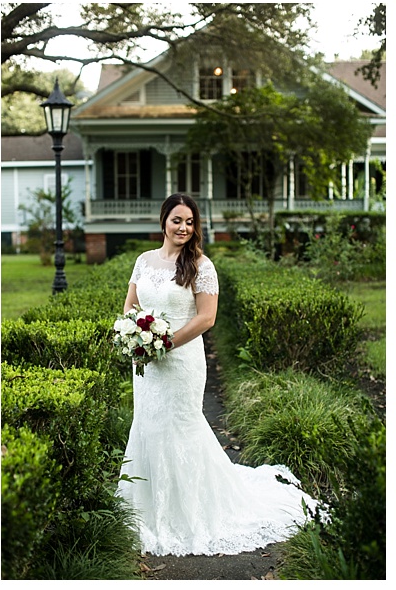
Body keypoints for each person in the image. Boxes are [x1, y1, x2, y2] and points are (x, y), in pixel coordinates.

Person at [115, 193, 315, 556]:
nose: (183, 228)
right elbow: (130, 307)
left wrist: (166, 343)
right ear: (163, 221)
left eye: (190, 222)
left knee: (181, 428)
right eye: (177, 220)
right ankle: (147, 509)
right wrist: (133, 337)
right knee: (147, 424)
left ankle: (190, 512)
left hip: (181, 362)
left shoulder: (201, 266)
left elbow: (206, 318)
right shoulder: (143, 262)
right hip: (145, 365)